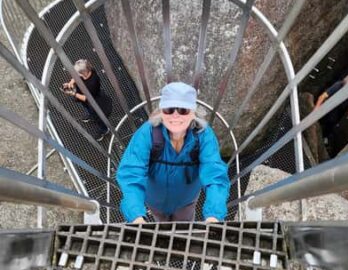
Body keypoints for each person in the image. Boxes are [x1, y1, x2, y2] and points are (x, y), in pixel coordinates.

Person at [116, 81, 230, 223]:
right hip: (155, 201)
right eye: (169, 109)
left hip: (186, 202)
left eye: (183, 110)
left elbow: (215, 175)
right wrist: (136, 216)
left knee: (185, 225)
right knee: (161, 225)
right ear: (162, 112)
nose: (175, 115)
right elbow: (131, 174)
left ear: (193, 112)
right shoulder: (148, 133)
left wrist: (214, 215)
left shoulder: (203, 136)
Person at [62, 59, 112, 141]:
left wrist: (73, 94)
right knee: (87, 108)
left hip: (94, 101)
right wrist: (71, 82)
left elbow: (87, 98)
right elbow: (76, 77)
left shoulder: (93, 83)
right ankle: (91, 115)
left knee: (98, 117)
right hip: (85, 97)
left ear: (83, 73)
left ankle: (104, 130)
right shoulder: (89, 69)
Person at [313, 74, 348, 151]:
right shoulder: (338, 85)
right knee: (328, 118)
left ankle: (325, 136)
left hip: (343, 107)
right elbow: (323, 96)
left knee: (333, 122)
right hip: (331, 104)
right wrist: (316, 108)